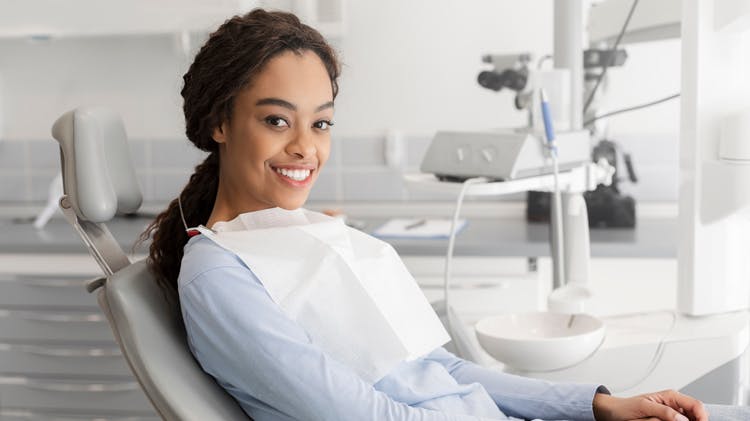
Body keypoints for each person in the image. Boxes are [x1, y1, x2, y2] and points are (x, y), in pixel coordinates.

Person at [141, 8, 747, 421]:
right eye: (277, 120)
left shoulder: (297, 237)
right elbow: (359, 415)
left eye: (320, 122)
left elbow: (435, 366)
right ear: (219, 123)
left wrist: (595, 404)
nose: (306, 147)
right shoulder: (218, 276)